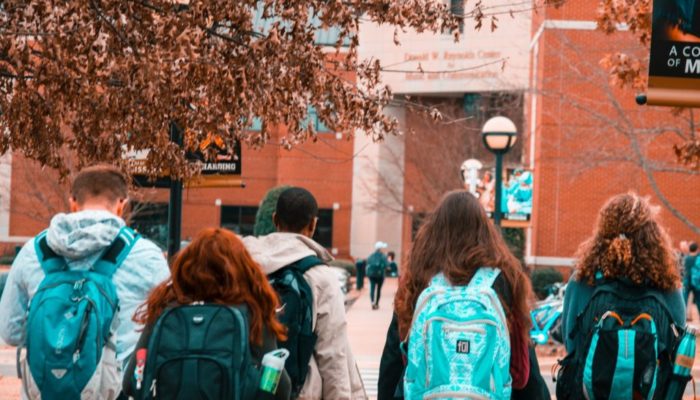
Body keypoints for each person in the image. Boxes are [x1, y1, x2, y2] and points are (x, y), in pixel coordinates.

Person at [0, 165, 170, 399]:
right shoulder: (147, 256)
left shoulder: (32, 252)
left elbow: (10, 331)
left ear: (73, 202)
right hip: (117, 391)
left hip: (44, 391)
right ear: (122, 204)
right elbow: (165, 332)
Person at [381, 190, 548, 399]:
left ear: (435, 231)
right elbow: (523, 369)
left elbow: (393, 358)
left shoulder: (420, 277)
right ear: (485, 231)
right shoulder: (504, 279)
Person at [122, 228, 291, 400]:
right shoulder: (251, 313)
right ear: (241, 269)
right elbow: (281, 389)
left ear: (185, 267)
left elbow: (131, 382)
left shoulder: (165, 310)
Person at [558, 193, 686, 399]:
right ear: (653, 235)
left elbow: (571, 343)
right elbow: (676, 346)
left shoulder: (583, 279)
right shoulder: (668, 285)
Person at [243, 187, 366, 400]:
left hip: (247, 389)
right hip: (299, 392)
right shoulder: (320, 276)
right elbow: (332, 355)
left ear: (274, 219)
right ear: (313, 224)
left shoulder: (243, 266)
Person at [366, 241, 389, 310]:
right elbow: (386, 265)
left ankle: (372, 302)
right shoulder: (383, 256)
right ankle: (377, 303)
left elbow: (368, 263)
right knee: (379, 289)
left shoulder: (371, 255)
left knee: (372, 288)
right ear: (380, 248)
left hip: (371, 275)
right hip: (380, 275)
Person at [683, 241, 699, 318]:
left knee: (684, 302)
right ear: (697, 249)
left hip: (686, 282)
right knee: (699, 302)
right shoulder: (698, 258)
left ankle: (682, 320)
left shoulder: (686, 258)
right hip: (697, 283)